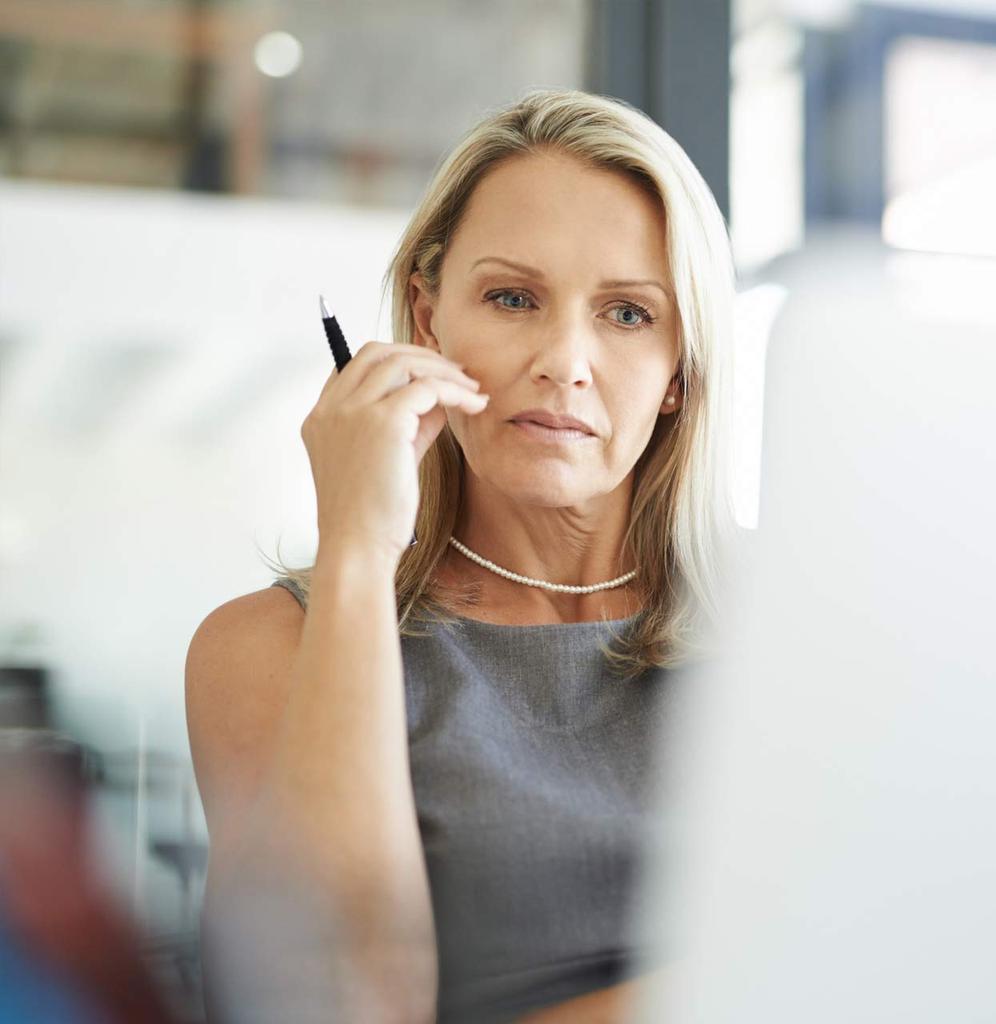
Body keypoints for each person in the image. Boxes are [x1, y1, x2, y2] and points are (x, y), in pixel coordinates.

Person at [184, 88, 739, 1024]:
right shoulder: (269, 647)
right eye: (513, 298)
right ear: (429, 318)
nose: (564, 361)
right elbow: (328, 1006)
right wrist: (358, 547)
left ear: (680, 369)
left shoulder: (802, 622)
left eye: (628, 314)